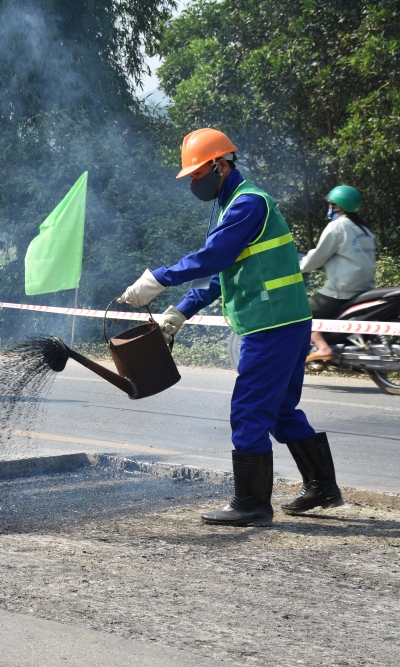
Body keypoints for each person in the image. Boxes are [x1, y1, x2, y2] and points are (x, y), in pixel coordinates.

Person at [118, 128, 343, 526]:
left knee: (249, 409)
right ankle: (322, 485)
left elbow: (212, 257)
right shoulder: (231, 206)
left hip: (270, 324)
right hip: (285, 321)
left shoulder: (246, 204)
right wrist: (182, 312)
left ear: (220, 164)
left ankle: (252, 503)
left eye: (197, 174)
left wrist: (158, 278)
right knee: (279, 410)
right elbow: (225, 272)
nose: (193, 182)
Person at [299, 185, 376, 362]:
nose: (330, 207)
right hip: (365, 289)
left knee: (301, 311)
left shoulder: (338, 227)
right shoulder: (366, 230)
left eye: (331, 204)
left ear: (338, 206)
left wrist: (297, 268)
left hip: (342, 289)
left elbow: (318, 256)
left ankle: (323, 347)